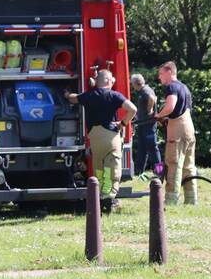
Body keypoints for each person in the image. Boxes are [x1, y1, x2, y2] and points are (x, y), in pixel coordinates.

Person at [65, 70, 136, 210]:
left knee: (99, 167)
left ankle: (99, 194)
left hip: (94, 138)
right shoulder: (114, 95)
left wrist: (67, 94)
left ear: (96, 82)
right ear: (109, 81)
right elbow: (133, 109)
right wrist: (122, 124)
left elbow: (74, 98)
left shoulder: (89, 96)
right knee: (112, 167)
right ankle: (108, 197)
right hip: (110, 136)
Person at [154, 62, 198, 205]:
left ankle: (171, 201)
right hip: (189, 128)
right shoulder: (184, 87)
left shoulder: (171, 86)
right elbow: (182, 109)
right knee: (188, 165)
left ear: (169, 72)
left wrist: (159, 115)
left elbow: (171, 106)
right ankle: (191, 199)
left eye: (161, 74)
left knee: (173, 164)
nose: (159, 77)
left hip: (177, 130)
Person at [130, 73, 162, 177]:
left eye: (132, 84)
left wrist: (150, 109)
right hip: (143, 124)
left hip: (148, 124)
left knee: (153, 148)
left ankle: (160, 171)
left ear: (136, 83)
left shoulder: (145, 91)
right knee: (142, 149)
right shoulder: (143, 91)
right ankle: (139, 171)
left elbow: (152, 98)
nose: (132, 86)